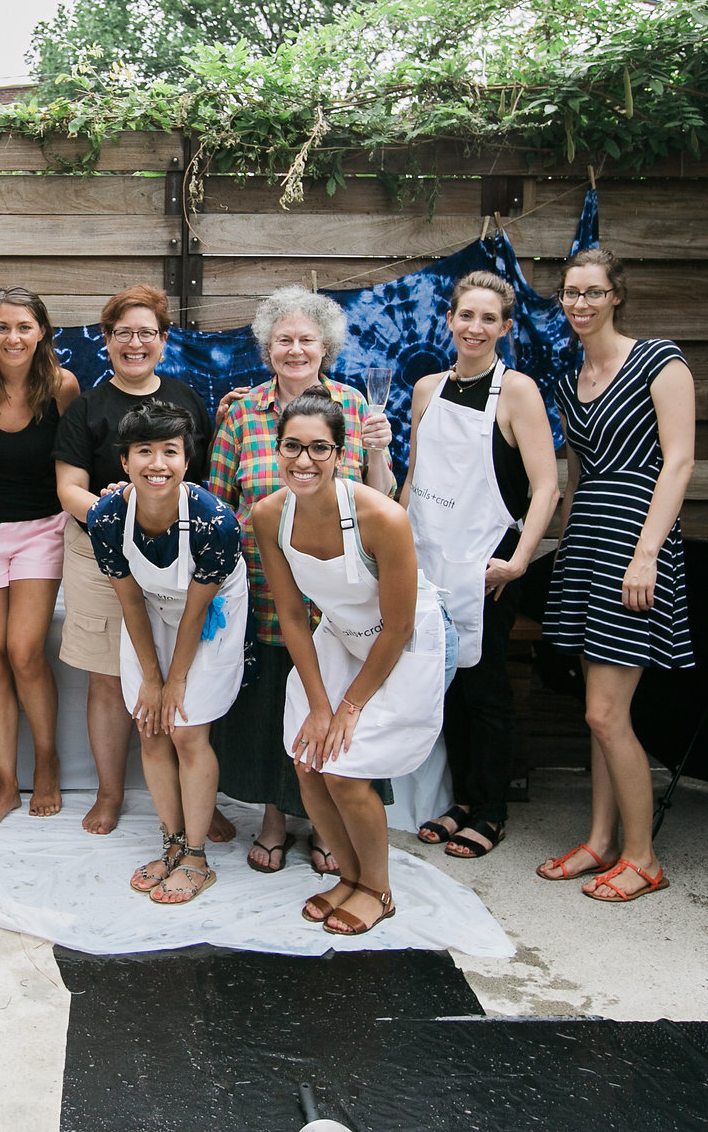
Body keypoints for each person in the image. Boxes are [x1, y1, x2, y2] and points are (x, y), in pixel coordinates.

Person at [208, 286, 392, 879]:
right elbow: (216, 502)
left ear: (326, 348)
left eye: (306, 340)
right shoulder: (241, 411)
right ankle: (271, 817)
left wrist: (384, 452)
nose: (294, 349)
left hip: (341, 595)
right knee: (273, 708)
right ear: (267, 348)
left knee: (334, 701)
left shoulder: (354, 405)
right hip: (265, 588)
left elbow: (378, 499)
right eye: (283, 339)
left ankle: (324, 825)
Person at [256, 389, 448, 934]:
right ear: (278, 449)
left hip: (406, 645)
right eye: (292, 446)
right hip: (340, 635)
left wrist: (349, 706)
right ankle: (350, 874)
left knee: (344, 771)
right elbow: (293, 617)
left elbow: (401, 625)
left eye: (319, 448)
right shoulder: (269, 515)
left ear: (341, 454)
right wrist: (320, 706)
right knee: (307, 758)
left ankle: (377, 889)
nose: (304, 461)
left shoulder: (381, 518)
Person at [536, 248, 695, 903]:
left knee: (607, 711)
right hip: (589, 540)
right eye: (571, 293)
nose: (580, 304)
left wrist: (648, 551)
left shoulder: (661, 360)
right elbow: (575, 474)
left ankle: (642, 855)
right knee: (593, 710)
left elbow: (679, 462)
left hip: (637, 542)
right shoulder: (573, 380)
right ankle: (600, 842)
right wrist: (568, 546)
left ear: (617, 296)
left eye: (593, 293)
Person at [400, 272, 560, 860]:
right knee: (446, 686)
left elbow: (546, 489)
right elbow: (417, 480)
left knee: (487, 688)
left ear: (506, 328)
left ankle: (490, 810)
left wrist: (519, 563)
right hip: (428, 561)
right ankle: (461, 799)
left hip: (487, 565)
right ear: (449, 320)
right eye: (466, 315)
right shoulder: (426, 390)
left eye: (489, 319)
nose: (475, 327)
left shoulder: (517, 392)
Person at [53, 284, 219, 837]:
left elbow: (204, 479)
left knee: (184, 680)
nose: (135, 342)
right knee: (107, 679)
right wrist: (114, 514)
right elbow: (69, 488)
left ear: (164, 341)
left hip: (179, 556)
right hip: (101, 553)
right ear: (106, 341)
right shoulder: (86, 409)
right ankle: (109, 793)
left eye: (147, 332)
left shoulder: (186, 399)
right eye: (123, 332)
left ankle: (198, 800)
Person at [90, 401, 248, 905]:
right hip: (151, 610)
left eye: (170, 452)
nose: (157, 463)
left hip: (210, 611)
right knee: (149, 724)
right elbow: (131, 601)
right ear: (124, 461)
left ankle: (198, 859)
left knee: (183, 726)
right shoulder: (106, 517)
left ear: (187, 461)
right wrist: (150, 681)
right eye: (144, 452)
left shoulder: (215, 523)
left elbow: (197, 612)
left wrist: (173, 681)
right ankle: (172, 842)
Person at [0, 289, 81, 828]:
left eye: (24, 327)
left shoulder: (63, 386)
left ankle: (45, 762)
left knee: (25, 651)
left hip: (41, 529)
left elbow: (76, 457)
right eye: (2, 327)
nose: (13, 338)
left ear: (42, 331)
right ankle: (6, 784)